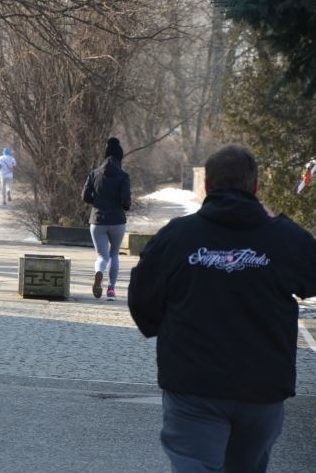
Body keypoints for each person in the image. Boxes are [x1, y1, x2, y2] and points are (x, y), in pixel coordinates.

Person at [128, 143, 316, 472]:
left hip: (193, 383)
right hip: (262, 386)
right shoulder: (284, 238)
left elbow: (143, 302)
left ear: (207, 186)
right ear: (255, 187)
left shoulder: (177, 237)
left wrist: (162, 326)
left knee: (193, 464)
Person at [81, 137, 131, 300]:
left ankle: (98, 272)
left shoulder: (94, 173)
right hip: (117, 221)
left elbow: (85, 196)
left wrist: (97, 203)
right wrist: (124, 207)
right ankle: (111, 290)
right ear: (120, 158)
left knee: (102, 256)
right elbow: (125, 200)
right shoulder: (123, 176)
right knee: (114, 254)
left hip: (97, 221)